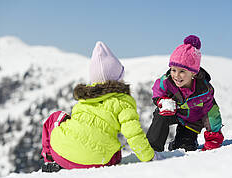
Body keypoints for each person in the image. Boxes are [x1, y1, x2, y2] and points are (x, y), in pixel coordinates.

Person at [41, 41, 155, 172]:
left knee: (57, 117)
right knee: (115, 150)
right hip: (100, 161)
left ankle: (49, 159)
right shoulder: (123, 102)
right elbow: (133, 133)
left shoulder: (84, 99)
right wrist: (148, 157)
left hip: (62, 155)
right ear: (119, 79)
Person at [146, 35, 224, 152]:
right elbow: (158, 90)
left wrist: (213, 138)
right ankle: (152, 149)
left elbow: (211, 114)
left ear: (193, 73)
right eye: (173, 70)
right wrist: (161, 101)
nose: (176, 75)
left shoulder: (204, 91)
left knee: (184, 148)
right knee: (161, 114)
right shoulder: (167, 81)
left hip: (191, 121)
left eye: (182, 71)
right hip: (173, 112)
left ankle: (179, 144)